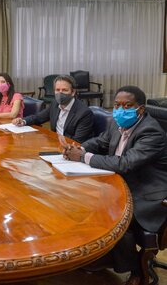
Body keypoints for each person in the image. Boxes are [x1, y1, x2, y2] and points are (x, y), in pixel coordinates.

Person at [63, 86, 167, 285]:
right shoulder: (116, 124)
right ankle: (102, 257)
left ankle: (136, 269)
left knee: (115, 219)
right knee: (83, 202)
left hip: (148, 193)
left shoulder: (151, 132)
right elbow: (101, 142)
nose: (120, 109)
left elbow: (125, 164)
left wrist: (83, 157)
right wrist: (80, 147)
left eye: (127, 105)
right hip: (121, 183)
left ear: (141, 110)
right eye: (117, 105)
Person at [12, 74, 93, 143]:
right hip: (54, 143)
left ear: (73, 92)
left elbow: (77, 142)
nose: (60, 93)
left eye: (64, 90)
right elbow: (38, 118)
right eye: (57, 90)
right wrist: (22, 121)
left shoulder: (84, 113)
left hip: (70, 149)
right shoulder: (55, 104)